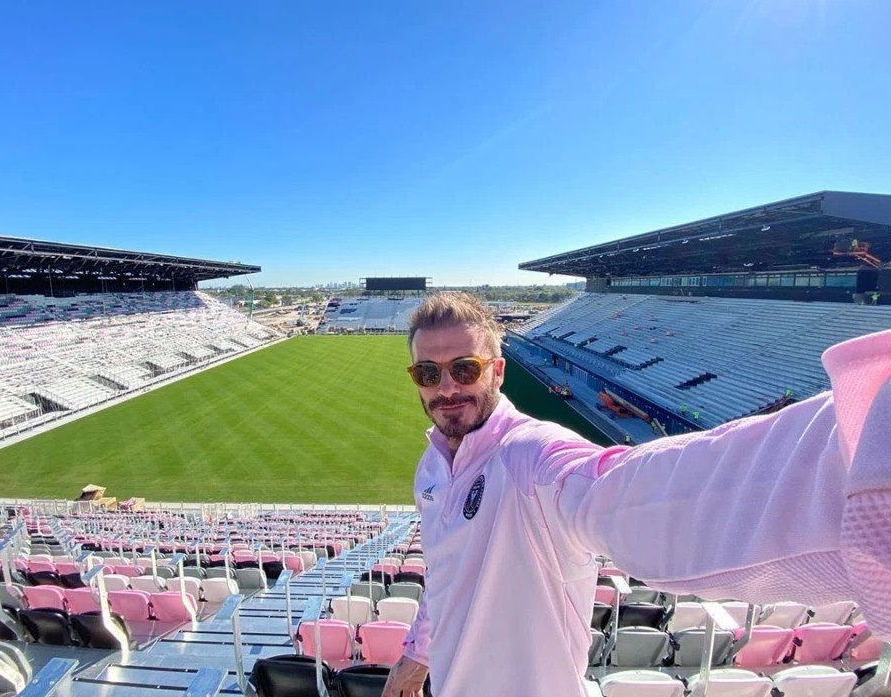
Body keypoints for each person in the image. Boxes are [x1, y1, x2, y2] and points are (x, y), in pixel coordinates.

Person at [382, 291, 891, 697]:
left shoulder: (531, 455)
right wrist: (418, 652)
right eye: (428, 372)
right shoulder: (433, 466)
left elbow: (637, 491)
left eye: (464, 369)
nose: (446, 387)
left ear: (497, 370)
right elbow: (445, 571)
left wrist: (860, 439)